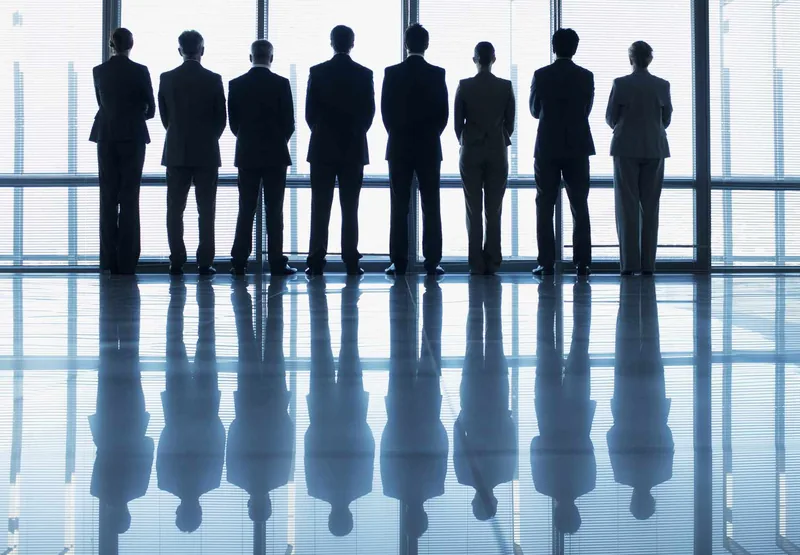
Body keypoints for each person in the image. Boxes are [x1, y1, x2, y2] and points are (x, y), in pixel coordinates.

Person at [304, 278, 374, 536]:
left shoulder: (362, 486)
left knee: (349, 347)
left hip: (351, 411)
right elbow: (309, 447)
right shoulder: (316, 488)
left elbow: (368, 446)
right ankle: (318, 299)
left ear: (350, 517)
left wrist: (359, 423)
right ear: (331, 518)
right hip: (323, 413)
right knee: (320, 346)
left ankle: (349, 300)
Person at [305, 25, 375, 276]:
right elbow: (369, 114)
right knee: (350, 207)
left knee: (320, 207)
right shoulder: (364, 74)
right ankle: (351, 261)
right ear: (352, 43)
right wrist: (355, 133)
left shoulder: (318, 72)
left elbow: (309, 114)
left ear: (331, 42)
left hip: (322, 148)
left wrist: (322, 131)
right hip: (353, 148)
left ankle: (315, 261)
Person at [157, 280, 225, 533]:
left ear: (199, 511)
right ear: (179, 511)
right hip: (177, 409)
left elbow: (219, 441)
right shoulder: (165, 482)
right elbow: (164, 444)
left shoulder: (212, 481)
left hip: (206, 408)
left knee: (206, 342)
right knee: (175, 344)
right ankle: (177, 294)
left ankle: (203, 292)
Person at [381, 278, 448, 539]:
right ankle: (403, 297)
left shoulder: (435, 486)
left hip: (427, 412)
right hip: (400, 413)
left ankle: (431, 298)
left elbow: (442, 447)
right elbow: (386, 450)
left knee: (432, 342)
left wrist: (435, 421)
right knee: (400, 346)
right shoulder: (391, 487)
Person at [90, 279, 153, 550]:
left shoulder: (139, 488)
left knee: (129, 356)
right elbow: (99, 457)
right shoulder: (97, 490)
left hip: (132, 422)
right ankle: (109, 306)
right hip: (107, 423)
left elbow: (148, 446)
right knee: (109, 361)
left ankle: (126, 305)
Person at [159, 30, 227, 276]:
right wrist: (208, 138)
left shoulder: (166, 78)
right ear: (202, 50)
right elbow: (221, 118)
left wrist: (178, 135)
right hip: (206, 152)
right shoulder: (213, 79)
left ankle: (176, 260)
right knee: (206, 210)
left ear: (180, 50)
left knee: (174, 209)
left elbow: (165, 118)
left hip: (176, 152)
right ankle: (204, 262)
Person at [382, 24, 448, 277]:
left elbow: (385, 112)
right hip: (429, 146)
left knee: (399, 205)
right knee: (431, 204)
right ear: (426, 44)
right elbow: (443, 114)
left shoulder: (392, 73)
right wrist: (430, 135)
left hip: (399, 146)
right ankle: (432, 261)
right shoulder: (437, 74)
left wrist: (397, 134)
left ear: (406, 44)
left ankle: (398, 262)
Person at [227, 278, 294, 526]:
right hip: (248, 403)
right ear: (250, 505)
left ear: (268, 503)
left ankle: (275, 295)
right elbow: (233, 436)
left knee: (275, 340)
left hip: (275, 404)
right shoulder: (237, 476)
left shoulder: (280, 477)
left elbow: (288, 437)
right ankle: (241, 294)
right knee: (245, 340)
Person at [531, 279, 596, 534]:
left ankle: (581, 292)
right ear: (557, 512)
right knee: (545, 344)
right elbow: (535, 444)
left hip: (578, 415)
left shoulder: (587, 483)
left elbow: (588, 448)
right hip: (548, 415)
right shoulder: (542, 485)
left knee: (580, 343)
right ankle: (546, 294)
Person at [90, 27, 155, 275]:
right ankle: (127, 261)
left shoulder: (99, 71)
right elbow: (151, 109)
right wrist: (136, 115)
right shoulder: (140, 71)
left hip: (106, 136)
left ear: (111, 44)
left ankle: (108, 260)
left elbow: (102, 102)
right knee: (130, 198)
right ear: (132, 44)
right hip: (134, 136)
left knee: (107, 197)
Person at [530, 28, 595, 278]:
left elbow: (535, 110)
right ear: (575, 49)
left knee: (545, 205)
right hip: (578, 146)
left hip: (547, 147)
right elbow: (586, 109)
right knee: (579, 205)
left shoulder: (541, 75)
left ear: (554, 47)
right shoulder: (586, 76)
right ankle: (582, 263)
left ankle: (546, 263)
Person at [608, 277, 674, 520]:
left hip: (654, 405)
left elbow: (667, 437)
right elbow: (611, 437)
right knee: (625, 341)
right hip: (626, 405)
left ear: (651, 501)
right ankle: (628, 293)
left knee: (651, 340)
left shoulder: (664, 473)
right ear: (633, 500)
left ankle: (644, 293)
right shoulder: (622, 474)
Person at [229, 40, 297, 276]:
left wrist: (248, 140)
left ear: (251, 57)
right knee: (274, 209)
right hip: (276, 154)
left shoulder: (236, 84)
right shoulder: (281, 84)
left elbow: (234, 124)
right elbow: (290, 123)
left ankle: (239, 261)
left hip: (247, 153)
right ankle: (277, 261)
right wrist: (277, 141)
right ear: (271, 57)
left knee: (246, 208)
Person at [606, 41, 672, 276]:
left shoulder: (621, 84)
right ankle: (648, 265)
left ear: (630, 59)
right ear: (650, 59)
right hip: (655, 147)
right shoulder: (662, 85)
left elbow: (610, 118)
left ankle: (629, 264)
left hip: (626, 147)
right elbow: (666, 119)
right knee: (651, 207)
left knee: (627, 206)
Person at [454, 278, 517, 521]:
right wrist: (462, 417)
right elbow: (458, 439)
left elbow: (510, 438)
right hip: (471, 405)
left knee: (495, 338)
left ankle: (492, 290)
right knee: (473, 342)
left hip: (497, 402)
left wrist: (506, 417)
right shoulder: (464, 476)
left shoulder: (505, 473)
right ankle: (475, 291)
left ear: (494, 501)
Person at [454, 42, 516, 275]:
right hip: (497, 151)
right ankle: (493, 261)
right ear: (494, 59)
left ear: (475, 59)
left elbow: (457, 125)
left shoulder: (465, 86)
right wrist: (498, 137)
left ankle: (475, 263)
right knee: (494, 209)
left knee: (473, 208)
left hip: (471, 151)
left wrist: (468, 139)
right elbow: (510, 123)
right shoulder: (505, 86)